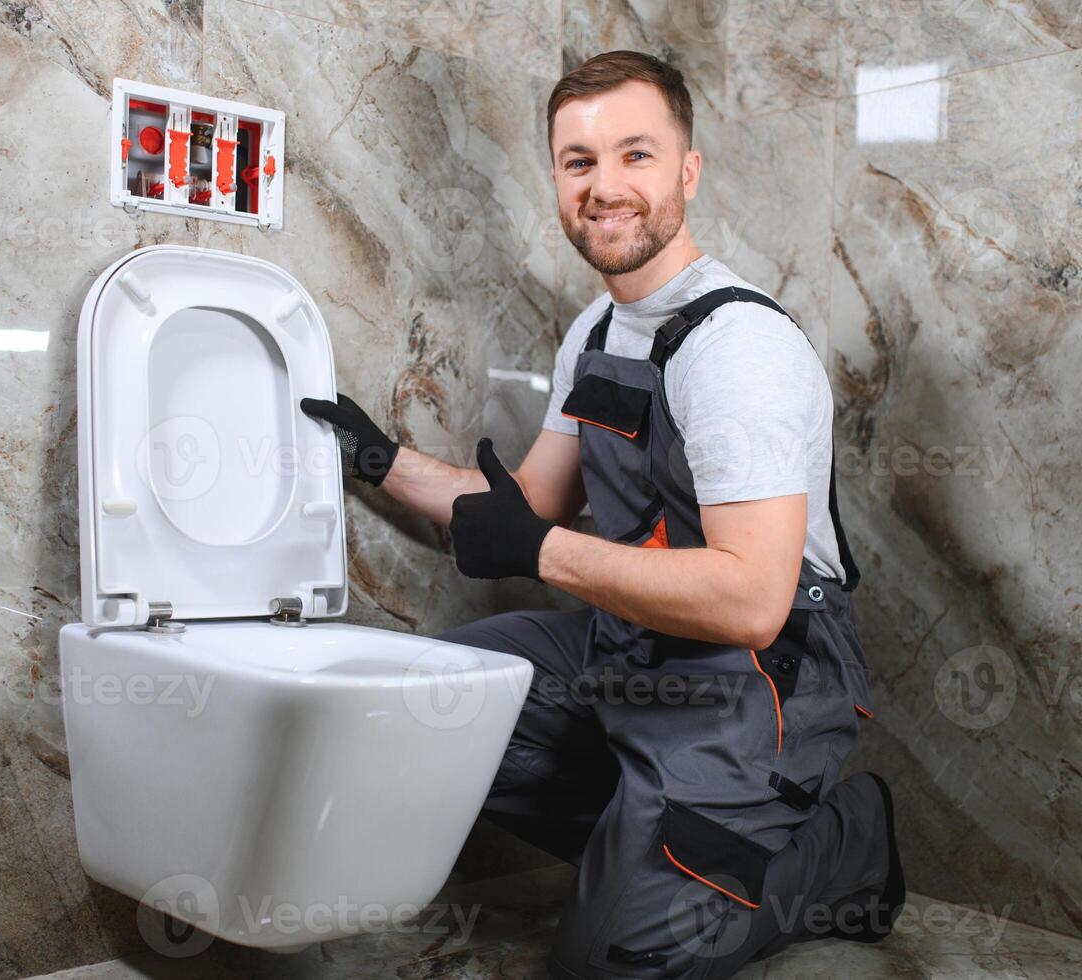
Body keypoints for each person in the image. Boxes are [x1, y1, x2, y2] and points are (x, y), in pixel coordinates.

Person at [301, 49, 904, 980]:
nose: (605, 186)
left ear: (686, 172)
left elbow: (750, 599)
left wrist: (541, 553)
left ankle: (835, 850)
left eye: (636, 155)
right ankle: (663, 842)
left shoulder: (737, 347)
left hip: (757, 673)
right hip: (637, 642)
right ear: (556, 177)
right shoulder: (598, 328)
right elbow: (528, 504)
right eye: (580, 162)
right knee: (419, 712)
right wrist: (381, 461)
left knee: (617, 964)